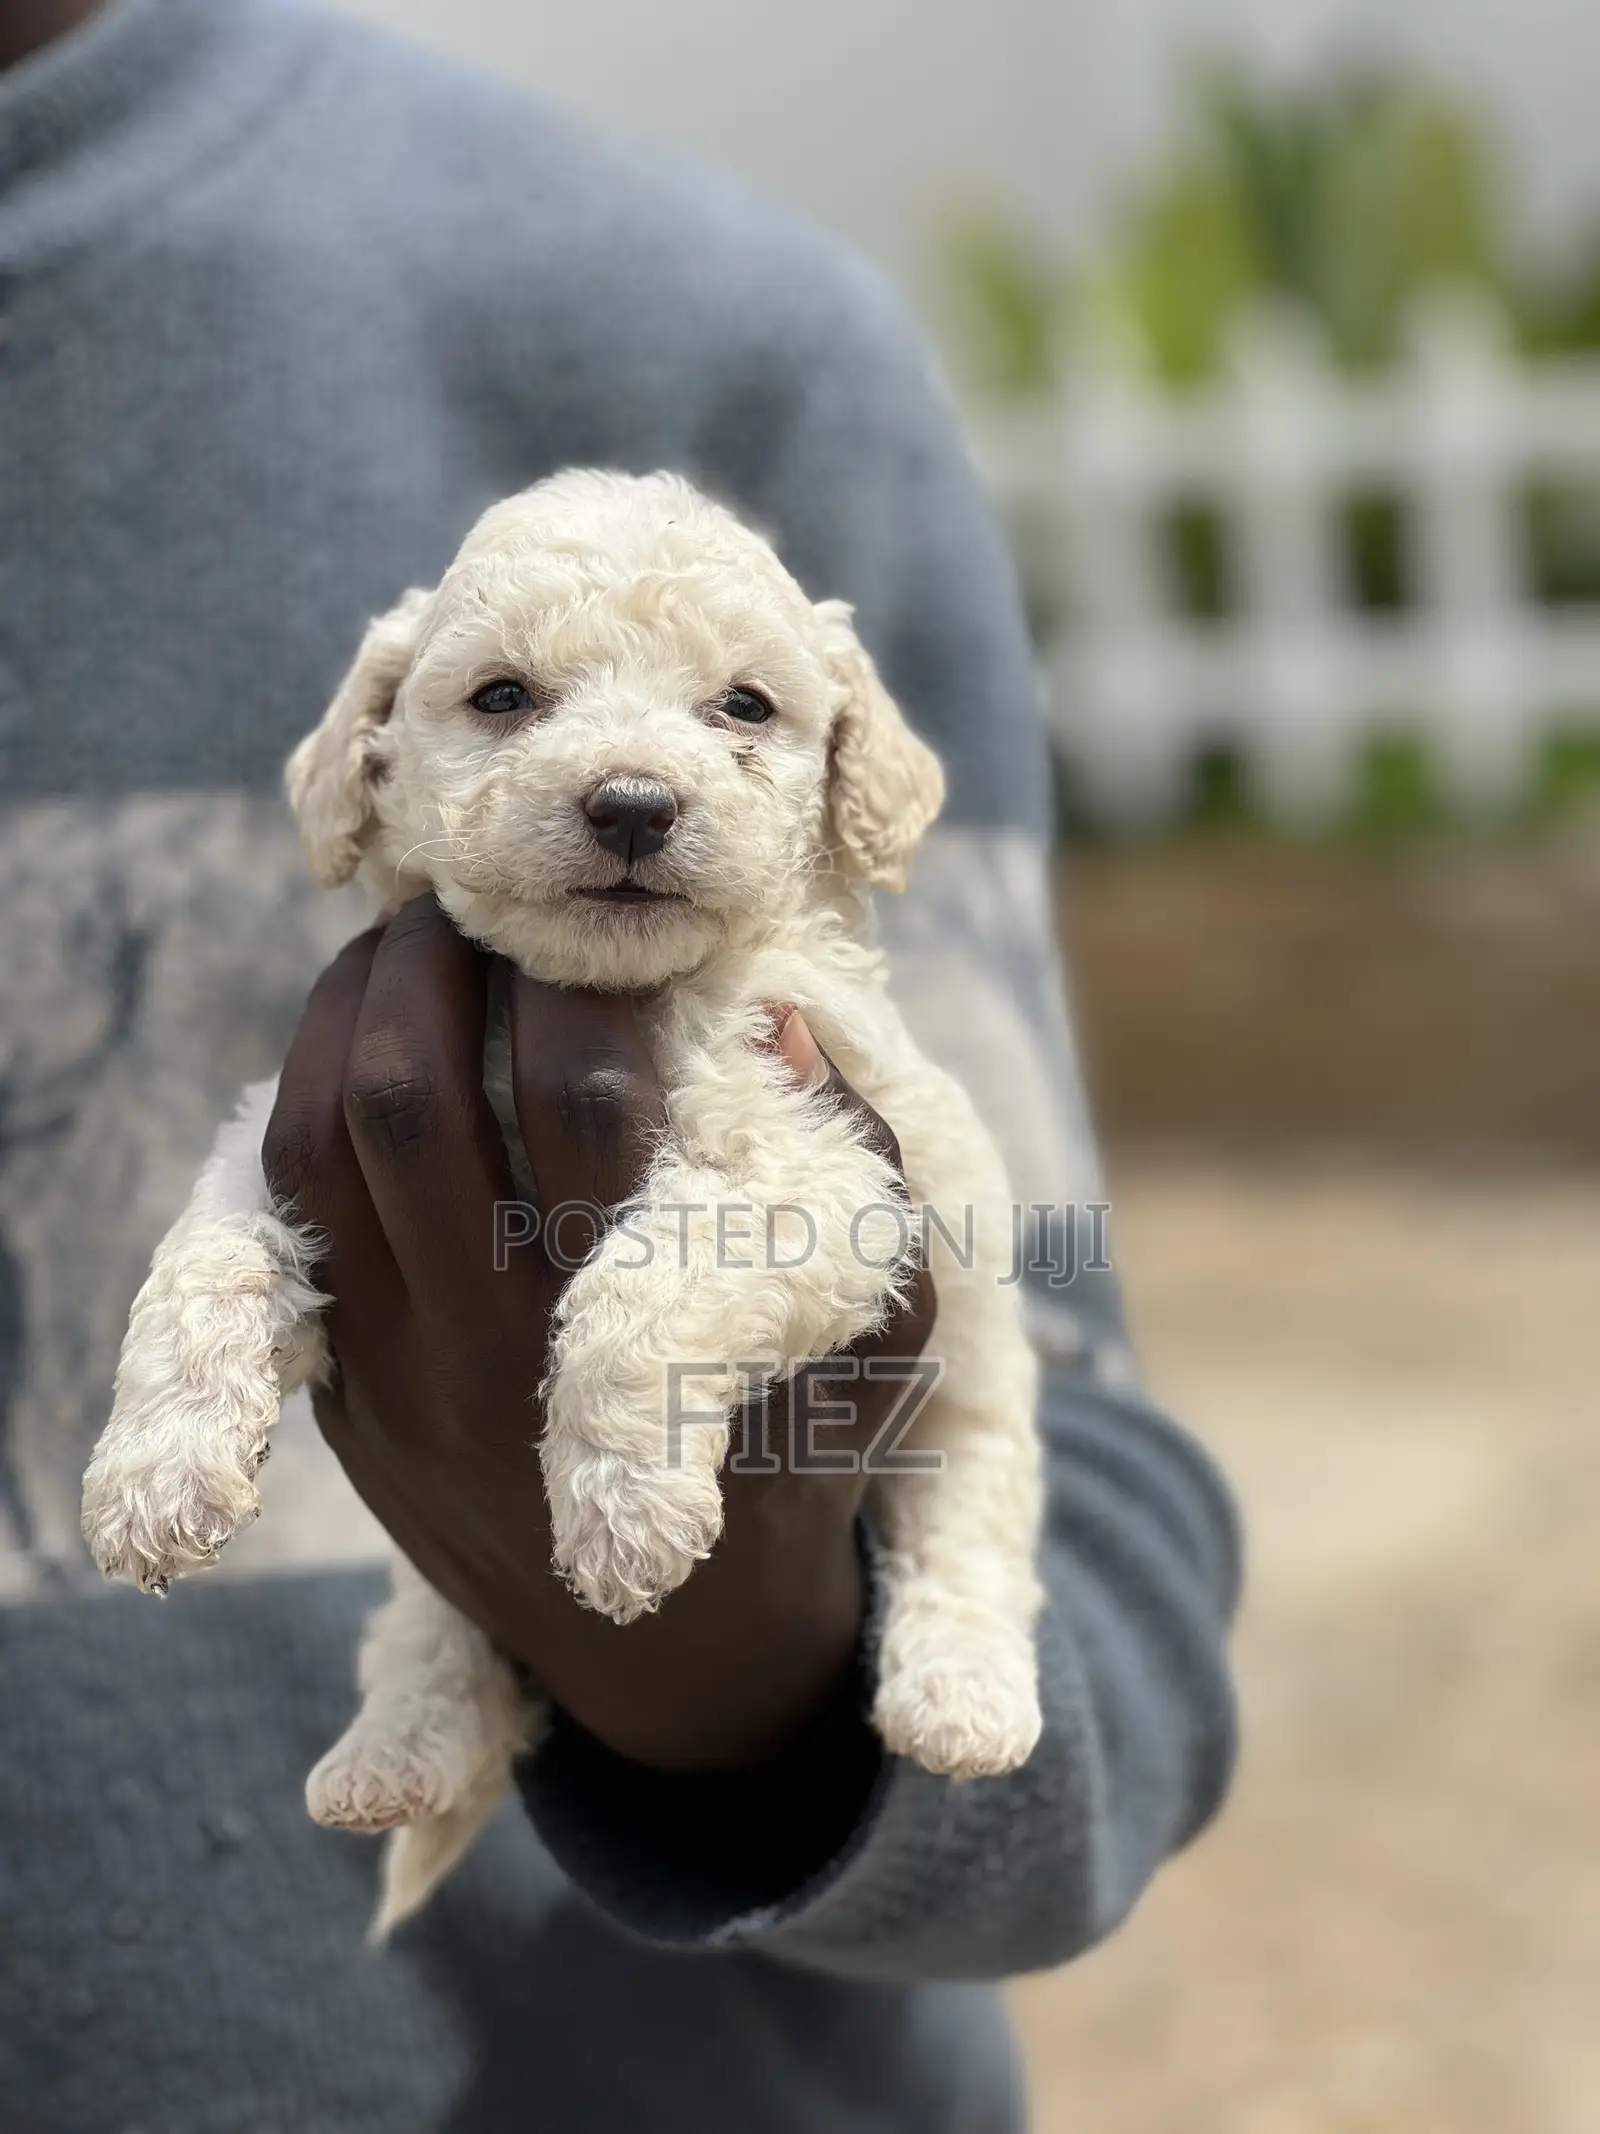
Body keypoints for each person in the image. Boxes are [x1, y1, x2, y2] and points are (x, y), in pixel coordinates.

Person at [0, 0, 1241, 2127]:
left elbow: (1060, 1460)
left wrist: (753, 1682)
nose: (636, 778)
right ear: (377, 744)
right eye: (515, 702)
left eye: (733, 719)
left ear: (838, 754)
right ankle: (436, 1690)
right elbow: (253, 1210)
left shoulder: (721, 326)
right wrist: (203, 1382)